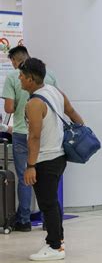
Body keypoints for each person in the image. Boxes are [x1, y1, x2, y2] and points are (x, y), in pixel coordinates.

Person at [20, 58, 84, 261]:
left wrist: (30, 166)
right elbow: (72, 113)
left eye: (22, 75)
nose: (19, 78)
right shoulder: (56, 92)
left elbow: (35, 136)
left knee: (47, 203)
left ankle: (55, 247)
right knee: (52, 201)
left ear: (30, 79)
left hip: (45, 160)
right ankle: (57, 240)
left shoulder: (34, 103)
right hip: (59, 156)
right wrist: (82, 132)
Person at [2, 46, 57, 232]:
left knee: (25, 176)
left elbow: (8, 108)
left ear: (17, 60)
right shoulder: (49, 75)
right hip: (45, 132)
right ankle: (48, 220)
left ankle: (24, 220)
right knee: (47, 178)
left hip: (21, 132)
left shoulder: (12, 78)